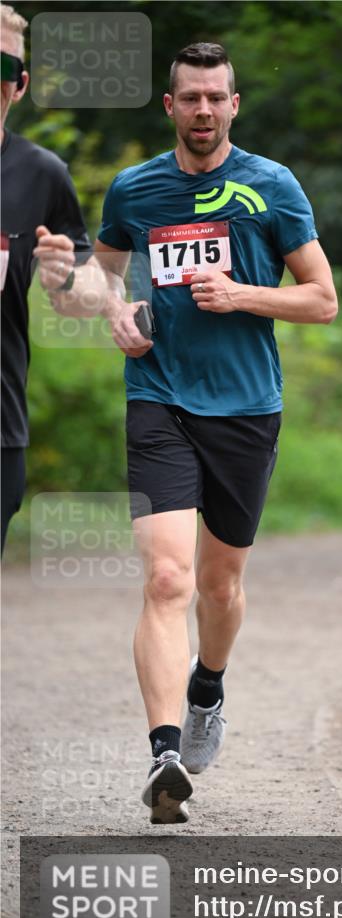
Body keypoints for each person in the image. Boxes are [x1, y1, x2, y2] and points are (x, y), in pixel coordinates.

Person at [91, 42, 337, 823]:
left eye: (215, 98)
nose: (202, 110)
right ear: (169, 106)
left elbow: (322, 299)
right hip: (158, 396)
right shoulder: (135, 189)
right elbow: (100, 276)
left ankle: (206, 691)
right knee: (167, 578)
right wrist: (113, 312)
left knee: (220, 584)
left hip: (245, 407)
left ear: (235, 104)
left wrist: (241, 294)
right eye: (189, 97)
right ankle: (165, 753)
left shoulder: (271, 187)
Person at [0, 3, 93, 553]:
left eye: (2, 68)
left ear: (20, 84)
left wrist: (63, 279)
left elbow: (89, 294)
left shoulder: (43, 175)